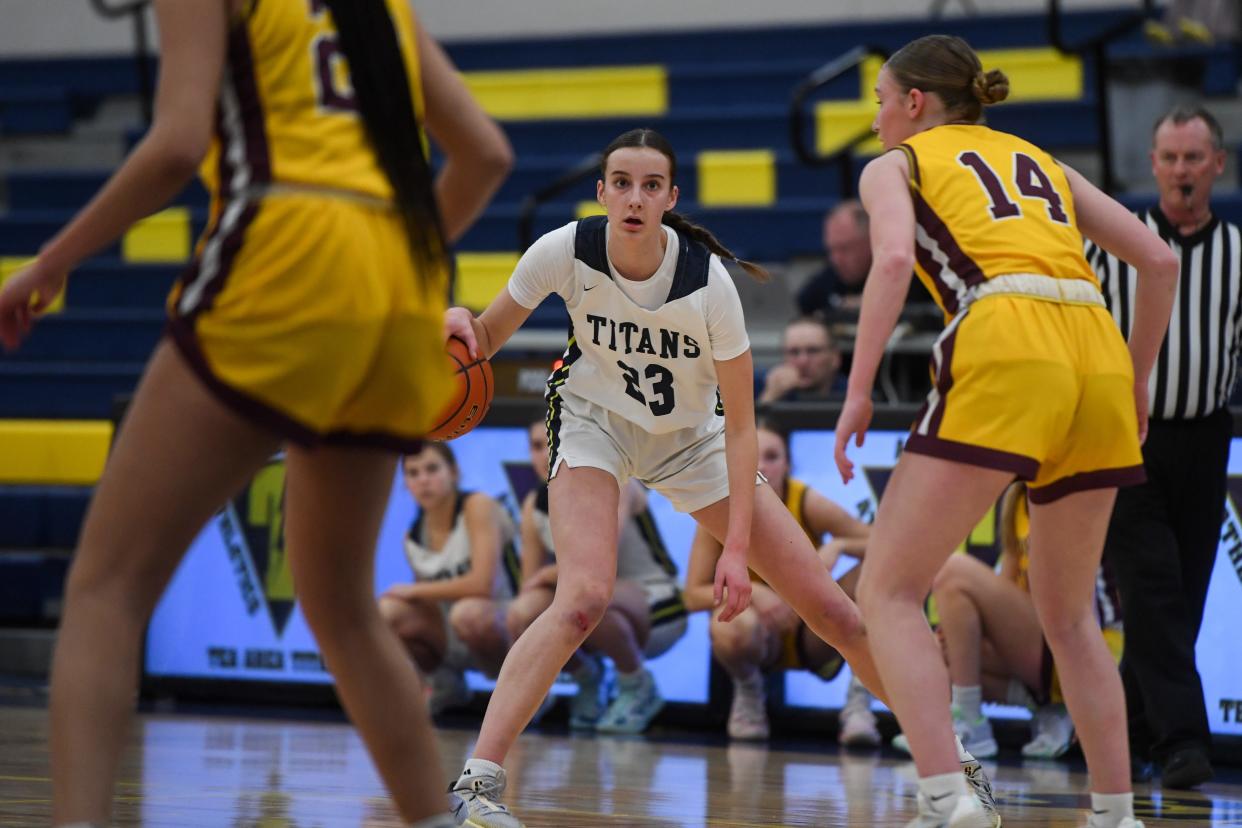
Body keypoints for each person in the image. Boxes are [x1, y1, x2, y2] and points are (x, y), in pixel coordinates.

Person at [0, 2, 511, 826]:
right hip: (401, 285)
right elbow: (486, 154)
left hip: (286, 250)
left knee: (106, 589)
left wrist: (51, 263)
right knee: (343, 608)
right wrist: (376, 267)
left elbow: (172, 147)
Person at [441, 127, 1000, 828]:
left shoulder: (707, 282)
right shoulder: (565, 251)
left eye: (651, 186)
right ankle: (477, 789)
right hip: (594, 424)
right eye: (621, 182)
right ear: (602, 192)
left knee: (834, 613)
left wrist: (735, 548)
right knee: (582, 595)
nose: (634, 198)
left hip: (695, 440)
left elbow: (740, 427)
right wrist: (460, 321)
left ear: (671, 198)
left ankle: (954, 774)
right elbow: (486, 338)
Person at [836, 34, 1178, 828]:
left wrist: (857, 392)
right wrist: (1135, 376)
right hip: (1094, 346)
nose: (878, 118)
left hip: (1005, 332)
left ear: (915, 103)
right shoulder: (1039, 158)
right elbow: (1158, 261)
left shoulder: (895, 164)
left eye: (882, 102)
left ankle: (947, 795)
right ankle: (1117, 813)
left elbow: (889, 265)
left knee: (886, 589)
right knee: (1070, 618)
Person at [1086, 104, 1242, 789]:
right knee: (1153, 589)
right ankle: (1185, 743)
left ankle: (1125, 731)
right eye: (1170, 158)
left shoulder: (1240, 254)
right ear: (1152, 166)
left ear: (1218, 165)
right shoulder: (1114, 244)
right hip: (1128, 439)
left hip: (1207, 439)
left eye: (1193, 158)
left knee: (1186, 596)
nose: (1181, 170)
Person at [895, 482, 1123, 761]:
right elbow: (1008, 590)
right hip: (1046, 648)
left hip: (1090, 652)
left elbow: (1083, 609)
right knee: (940, 649)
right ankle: (1046, 710)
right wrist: (964, 637)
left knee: (953, 573)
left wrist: (1092, 693)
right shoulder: (1018, 498)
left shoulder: (1070, 492)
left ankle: (973, 721)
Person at [683, 420, 876, 744]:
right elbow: (692, 595)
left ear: (787, 464)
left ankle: (860, 698)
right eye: (752, 455)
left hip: (814, 630)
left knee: (876, 575)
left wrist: (839, 545)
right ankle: (749, 689)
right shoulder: (717, 509)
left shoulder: (806, 500)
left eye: (772, 456)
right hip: (760, 634)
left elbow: (883, 545)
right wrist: (756, 593)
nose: (761, 466)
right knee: (726, 624)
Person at [508, 421, 688, 734]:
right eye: (537, 446)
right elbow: (530, 581)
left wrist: (549, 576)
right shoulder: (533, 505)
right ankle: (587, 679)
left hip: (658, 601)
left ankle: (638, 685)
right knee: (522, 613)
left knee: (590, 599)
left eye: (553, 441)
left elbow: (598, 556)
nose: (546, 453)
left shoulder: (618, 483)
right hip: (592, 594)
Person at [379, 443, 519, 715]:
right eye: (413, 473)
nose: (423, 480)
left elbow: (483, 584)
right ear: (405, 483)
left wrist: (414, 590)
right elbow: (425, 605)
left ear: (454, 473)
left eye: (432, 469)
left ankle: (523, 690)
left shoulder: (478, 506)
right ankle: (443, 684)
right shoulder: (413, 537)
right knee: (388, 611)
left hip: (504, 620)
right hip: (452, 632)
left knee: (468, 613)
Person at [796, 200, 872, 315]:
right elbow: (796, 313)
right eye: (831, 249)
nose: (836, 259)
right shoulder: (826, 281)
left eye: (845, 248)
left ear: (869, 242)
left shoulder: (899, 280)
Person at [756, 315, 847, 403]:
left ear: (835, 358)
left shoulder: (851, 393)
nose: (803, 361)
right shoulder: (761, 385)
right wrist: (770, 397)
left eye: (813, 351)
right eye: (794, 352)